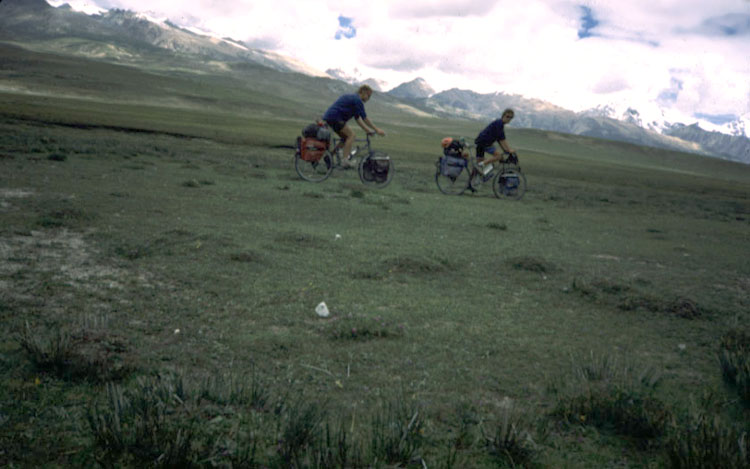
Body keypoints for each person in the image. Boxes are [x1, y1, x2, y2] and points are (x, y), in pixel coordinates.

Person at [322, 84, 386, 168]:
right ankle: (345, 161)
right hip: (335, 118)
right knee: (351, 136)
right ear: (363, 92)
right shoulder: (357, 100)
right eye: (368, 96)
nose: (368, 99)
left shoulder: (354, 98)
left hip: (331, 117)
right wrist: (377, 129)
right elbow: (364, 118)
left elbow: (358, 118)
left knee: (345, 138)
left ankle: (330, 156)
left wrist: (367, 130)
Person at [474, 108, 516, 176]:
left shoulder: (499, 123)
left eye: (511, 118)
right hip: (484, 143)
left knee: (479, 163)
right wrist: (509, 150)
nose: (508, 119)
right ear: (503, 115)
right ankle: (481, 165)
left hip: (480, 142)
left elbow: (500, 140)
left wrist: (506, 149)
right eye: (507, 116)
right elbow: (502, 140)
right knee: (498, 156)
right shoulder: (499, 124)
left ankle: (471, 184)